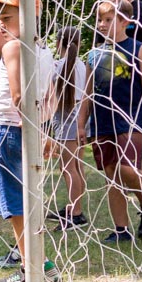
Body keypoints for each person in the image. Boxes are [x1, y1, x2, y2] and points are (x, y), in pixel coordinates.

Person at [0, 0, 60, 282]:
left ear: (31, 16)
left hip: (6, 131)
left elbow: (18, 96)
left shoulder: (13, 47)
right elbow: (50, 98)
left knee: (15, 205)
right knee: (28, 200)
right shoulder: (45, 52)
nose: (1, 23)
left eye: (8, 17)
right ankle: (40, 265)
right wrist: (43, 131)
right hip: (29, 130)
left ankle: (34, 268)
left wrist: (35, 130)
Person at [77, 0, 142, 243]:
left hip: (132, 120)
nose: (102, 25)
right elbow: (88, 93)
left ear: (125, 21)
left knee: (129, 170)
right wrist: (81, 124)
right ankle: (121, 230)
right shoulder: (94, 54)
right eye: (99, 20)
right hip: (103, 122)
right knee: (112, 175)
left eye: (108, 19)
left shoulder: (139, 49)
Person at [44, 26, 88, 229]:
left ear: (59, 43)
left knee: (68, 168)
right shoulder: (83, 65)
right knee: (76, 166)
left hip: (67, 116)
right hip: (80, 116)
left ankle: (76, 214)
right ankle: (74, 207)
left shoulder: (56, 65)